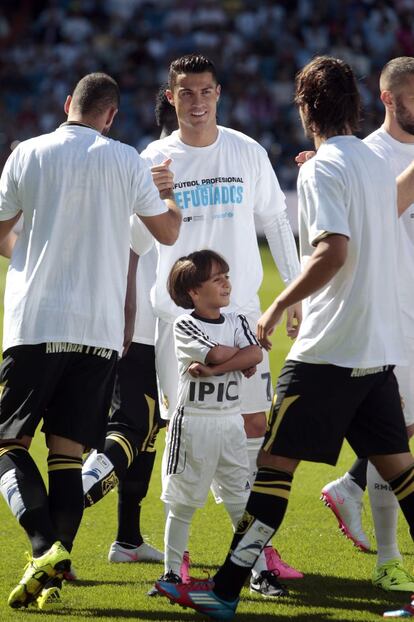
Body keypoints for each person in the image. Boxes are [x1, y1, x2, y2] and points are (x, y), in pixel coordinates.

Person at [154, 55, 414, 621]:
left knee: (271, 472)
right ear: (356, 106)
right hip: (379, 346)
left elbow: (332, 250)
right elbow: (387, 210)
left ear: (305, 108)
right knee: (402, 473)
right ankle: (227, 586)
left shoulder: (322, 169)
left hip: (328, 347)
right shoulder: (371, 162)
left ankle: (223, 590)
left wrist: (276, 305)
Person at [0, 72, 181, 610]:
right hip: (99, 329)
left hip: (36, 321)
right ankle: (53, 576)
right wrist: (167, 197)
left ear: (66, 105)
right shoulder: (127, 159)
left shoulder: (27, 153)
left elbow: (1, 231)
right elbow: (167, 233)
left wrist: (33, 257)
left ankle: (43, 547)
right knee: (67, 455)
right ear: (110, 116)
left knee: (8, 442)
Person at [145, 53, 302, 585]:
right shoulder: (155, 159)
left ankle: (254, 551)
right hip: (181, 323)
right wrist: (157, 195)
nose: (196, 101)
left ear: (219, 94)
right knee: (186, 430)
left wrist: (296, 290)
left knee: (255, 426)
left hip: (243, 315)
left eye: (205, 91)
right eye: (185, 92)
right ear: (171, 97)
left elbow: (277, 221)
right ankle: (179, 553)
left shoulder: (246, 150)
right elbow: (136, 241)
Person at [319, 56, 414, 594]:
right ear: (389, 99)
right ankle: (389, 557)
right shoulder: (371, 155)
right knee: (393, 436)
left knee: (399, 433)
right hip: (391, 312)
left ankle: (350, 487)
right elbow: (379, 212)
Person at [149, 249, 287, 598]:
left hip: (230, 424)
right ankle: (171, 574)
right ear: (194, 291)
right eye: (217, 278)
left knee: (242, 503)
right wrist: (232, 359)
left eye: (226, 275)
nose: (227, 283)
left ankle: (258, 574)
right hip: (194, 425)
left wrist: (213, 369)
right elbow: (225, 353)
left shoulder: (238, 319)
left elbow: (255, 353)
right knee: (183, 504)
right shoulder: (185, 324)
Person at [82, 87, 180, 567]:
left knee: (148, 430)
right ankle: (74, 497)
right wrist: (123, 316)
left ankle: (127, 538)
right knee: (131, 425)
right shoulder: (148, 166)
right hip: (138, 324)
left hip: (158, 324)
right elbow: (128, 247)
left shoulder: (145, 164)